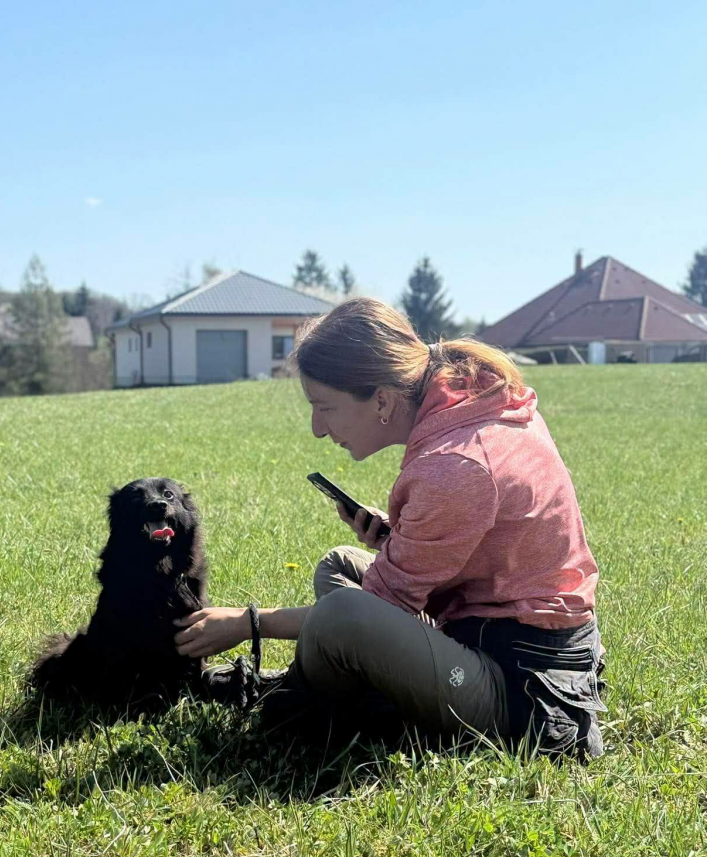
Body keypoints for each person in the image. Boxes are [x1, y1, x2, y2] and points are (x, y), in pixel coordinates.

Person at [174, 298, 605, 759]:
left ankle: (290, 704)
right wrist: (396, 538)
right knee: (341, 565)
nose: (318, 428)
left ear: (381, 399)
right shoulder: (473, 401)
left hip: (523, 692)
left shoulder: (457, 466)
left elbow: (373, 606)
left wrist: (249, 623)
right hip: (482, 634)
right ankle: (352, 691)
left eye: (324, 407)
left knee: (342, 614)